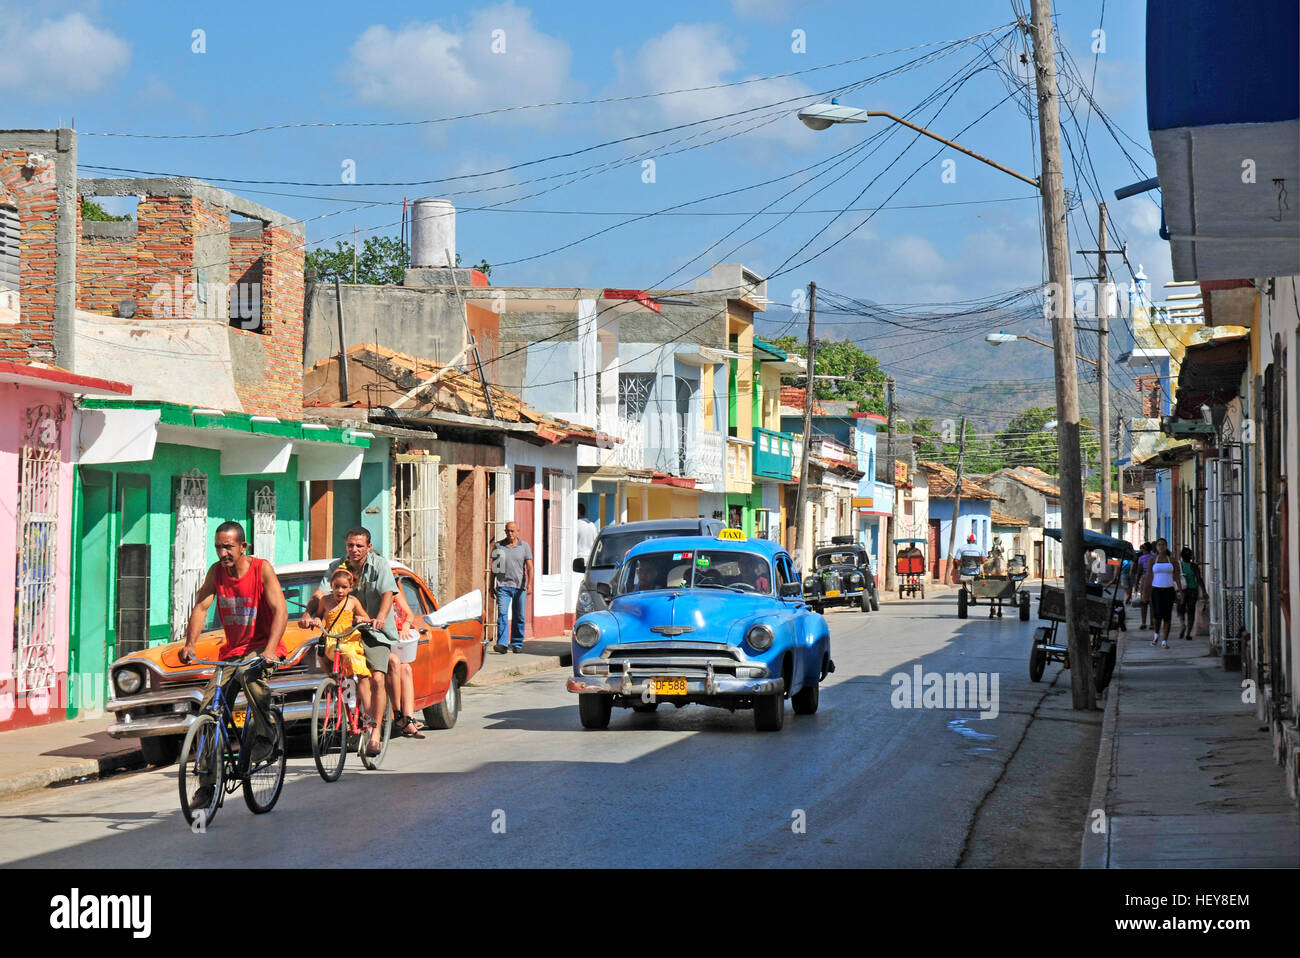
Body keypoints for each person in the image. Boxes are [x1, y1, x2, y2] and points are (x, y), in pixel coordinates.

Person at [181, 521, 288, 807]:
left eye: (228, 546)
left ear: (243, 547)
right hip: (233, 652)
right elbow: (202, 606)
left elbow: (280, 611)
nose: (223, 552)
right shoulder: (216, 573)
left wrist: (268, 650)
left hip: (263, 648)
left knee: (251, 680)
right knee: (208, 710)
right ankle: (206, 784)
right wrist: (189, 643)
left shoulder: (261, 569)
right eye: (218, 547)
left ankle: (267, 735)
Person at [300, 527, 399, 756]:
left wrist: (381, 618)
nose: (354, 550)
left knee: (376, 677)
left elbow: (387, 593)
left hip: (374, 630)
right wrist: (309, 614)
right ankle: (346, 703)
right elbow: (319, 594)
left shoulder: (379, 565)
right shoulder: (336, 568)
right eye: (350, 545)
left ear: (368, 547)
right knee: (333, 663)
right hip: (344, 632)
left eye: (359, 546)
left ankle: (374, 733)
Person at [307, 567, 370, 678]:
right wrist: (317, 620)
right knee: (321, 654)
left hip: (348, 638)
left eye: (344, 587)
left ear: (350, 588)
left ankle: (349, 680)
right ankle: (332, 680)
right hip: (331, 638)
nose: (340, 590)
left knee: (349, 654)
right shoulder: (325, 600)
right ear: (331, 585)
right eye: (337, 586)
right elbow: (319, 615)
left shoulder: (353, 601)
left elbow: (366, 618)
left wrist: (361, 619)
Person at [491, 521, 533, 654]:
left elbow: (530, 567)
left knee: (519, 616)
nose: (510, 533)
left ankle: (517, 643)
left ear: (517, 532)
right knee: (502, 614)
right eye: (507, 531)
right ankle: (502, 644)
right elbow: (495, 568)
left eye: (512, 531)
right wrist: (491, 585)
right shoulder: (499, 546)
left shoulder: (524, 546)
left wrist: (530, 584)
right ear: (505, 532)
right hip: (503, 586)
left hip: (519, 587)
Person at [1142, 537, 1177, 648]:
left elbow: (1177, 576)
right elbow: (1148, 577)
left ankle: (1164, 641)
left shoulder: (1172, 560)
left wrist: (1180, 591)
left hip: (1169, 589)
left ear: (1166, 546)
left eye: (1163, 544)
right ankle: (1156, 635)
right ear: (1156, 547)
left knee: (1167, 616)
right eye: (1159, 545)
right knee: (1157, 615)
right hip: (1156, 589)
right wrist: (1145, 592)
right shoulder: (1152, 560)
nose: (1161, 547)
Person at [1177, 546, 1207, 641]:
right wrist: (1204, 591)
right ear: (1191, 556)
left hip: (1182, 590)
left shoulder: (1179, 566)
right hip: (1193, 590)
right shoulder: (1193, 566)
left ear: (1181, 556)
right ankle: (1188, 634)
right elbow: (1199, 579)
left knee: (1180, 609)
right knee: (1191, 611)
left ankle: (1182, 625)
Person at [1134, 542, 1155, 629]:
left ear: (1145, 549)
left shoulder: (1141, 558)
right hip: (1154, 580)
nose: (1141, 551)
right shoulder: (1154, 557)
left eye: (1142, 549)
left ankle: (1143, 623)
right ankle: (1152, 624)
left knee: (1143, 602)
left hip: (1145, 579)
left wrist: (1136, 583)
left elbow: (1139, 572)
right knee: (1152, 603)